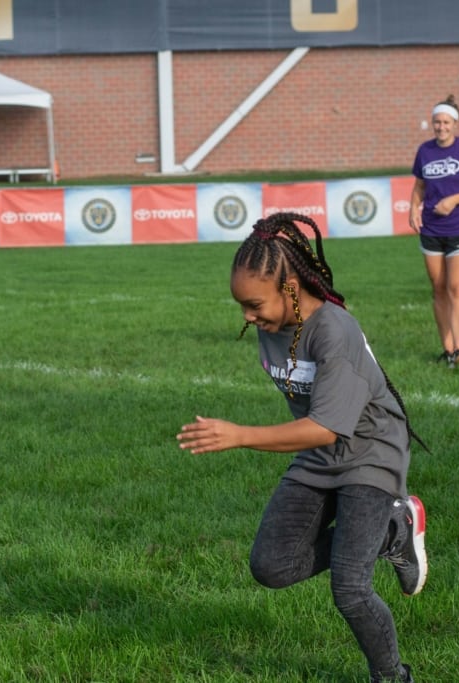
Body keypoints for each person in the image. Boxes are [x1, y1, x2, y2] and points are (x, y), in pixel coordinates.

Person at [176, 212, 429, 683]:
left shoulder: (334, 331)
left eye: (254, 304)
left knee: (350, 589)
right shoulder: (273, 327)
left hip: (370, 454)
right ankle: (392, 532)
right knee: (271, 565)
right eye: (241, 306)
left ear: (290, 287)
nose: (247, 316)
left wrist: (240, 435)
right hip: (319, 456)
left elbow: (327, 427)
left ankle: (393, 676)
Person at [408, 93, 459, 369]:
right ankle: (447, 349)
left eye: (446, 122)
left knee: (458, 289)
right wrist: (413, 208)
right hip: (431, 229)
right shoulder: (425, 151)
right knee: (439, 289)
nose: (441, 127)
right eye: (437, 122)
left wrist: (454, 200)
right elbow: (419, 186)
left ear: (455, 124)